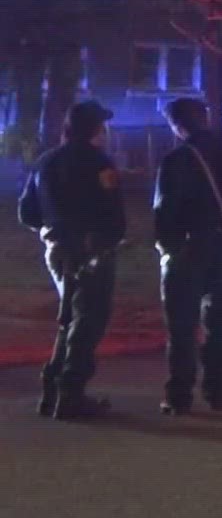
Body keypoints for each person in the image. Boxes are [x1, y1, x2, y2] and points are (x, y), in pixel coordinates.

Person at [16, 101, 126, 420]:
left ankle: (52, 389)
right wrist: (108, 239)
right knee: (88, 319)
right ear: (94, 128)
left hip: (57, 248)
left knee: (71, 317)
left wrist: (53, 229)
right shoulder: (100, 163)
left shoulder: (45, 162)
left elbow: (27, 213)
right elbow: (113, 213)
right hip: (92, 251)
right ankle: (70, 392)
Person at [153, 97, 222, 415]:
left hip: (186, 250)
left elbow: (164, 210)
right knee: (218, 325)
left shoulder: (176, 160)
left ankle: (179, 395)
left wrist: (167, 246)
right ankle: (217, 391)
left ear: (176, 125)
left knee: (182, 327)